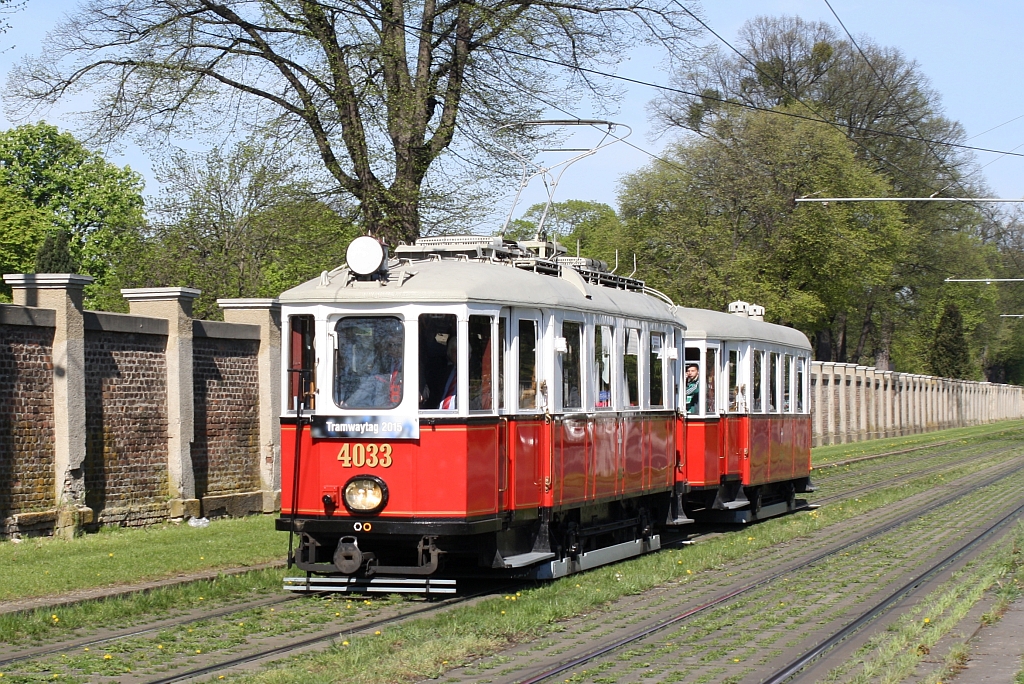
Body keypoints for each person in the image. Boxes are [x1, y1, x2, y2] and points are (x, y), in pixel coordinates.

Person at [439, 336, 457, 409]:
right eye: (455, 352)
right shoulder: (445, 371)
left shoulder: (472, 375)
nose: (458, 354)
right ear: (450, 353)